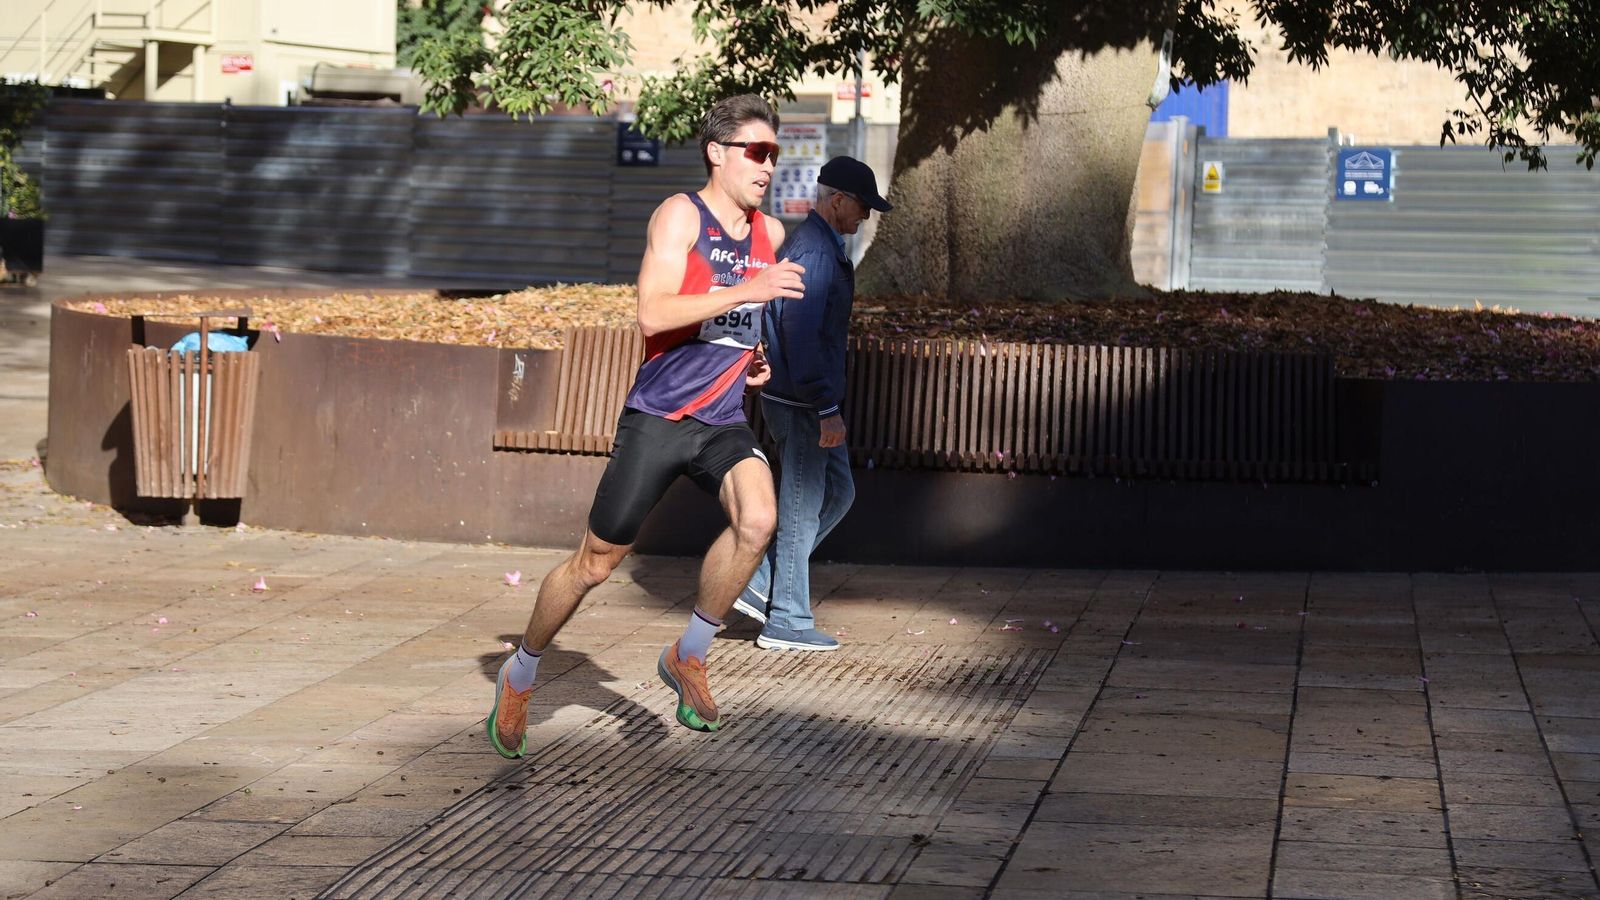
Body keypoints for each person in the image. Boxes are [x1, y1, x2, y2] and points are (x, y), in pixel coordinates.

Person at [487, 95, 805, 755]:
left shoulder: (769, 235)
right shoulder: (679, 216)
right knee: (595, 565)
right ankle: (520, 673)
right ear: (717, 153)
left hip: (722, 420)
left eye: (773, 153)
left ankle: (689, 654)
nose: (767, 165)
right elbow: (654, 315)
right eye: (756, 151)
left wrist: (757, 358)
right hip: (659, 416)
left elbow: (741, 323)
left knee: (758, 520)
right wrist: (747, 292)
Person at [733, 156, 891, 651]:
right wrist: (825, 407)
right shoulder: (817, 252)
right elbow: (800, 336)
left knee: (837, 493)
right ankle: (786, 619)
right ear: (837, 200)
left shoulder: (823, 246)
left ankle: (762, 581)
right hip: (802, 402)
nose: (865, 217)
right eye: (862, 207)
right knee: (801, 507)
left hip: (804, 397)